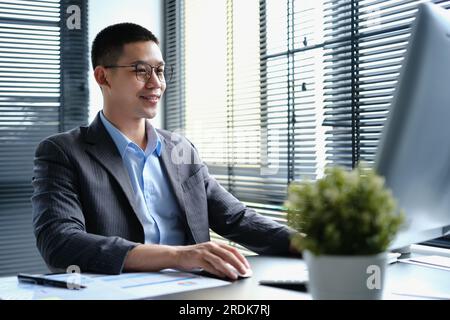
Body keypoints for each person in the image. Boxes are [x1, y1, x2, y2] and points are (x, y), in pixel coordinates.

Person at [32, 23, 297, 279]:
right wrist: (178, 256)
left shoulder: (180, 149)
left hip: (195, 291)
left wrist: (312, 244)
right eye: (141, 71)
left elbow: (236, 219)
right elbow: (60, 241)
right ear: (103, 77)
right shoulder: (63, 152)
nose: (156, 83)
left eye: (159, 70)